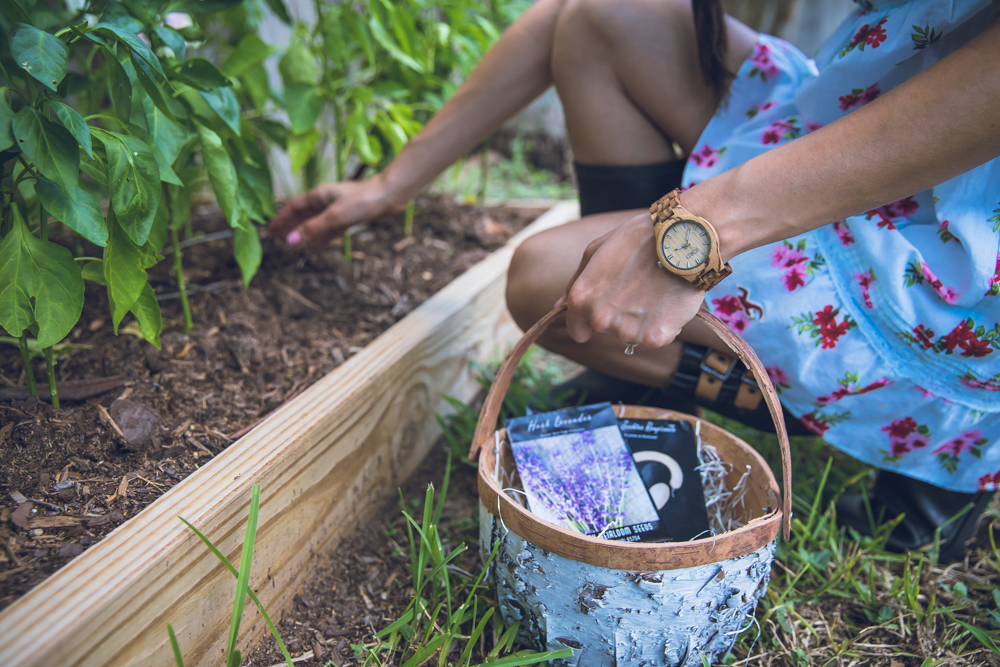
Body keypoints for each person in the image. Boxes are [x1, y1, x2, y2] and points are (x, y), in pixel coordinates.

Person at [269, 0, 1000, 560]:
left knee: (548, 280)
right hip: (839, 123)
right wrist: (392, 185)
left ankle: (931, 466)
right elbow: (571, 10)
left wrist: (694, 233)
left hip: (940, 245)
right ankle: (645, 354)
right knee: (610, 18)